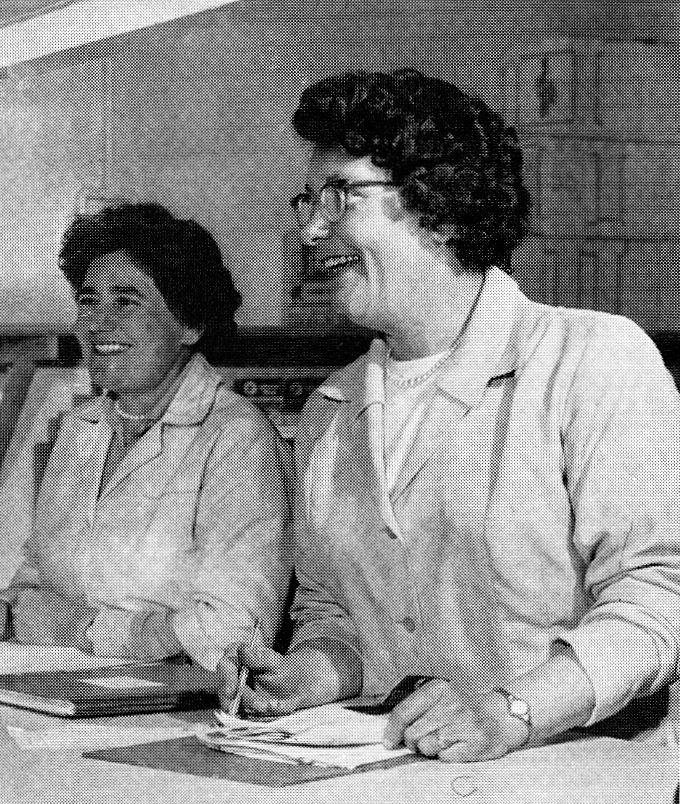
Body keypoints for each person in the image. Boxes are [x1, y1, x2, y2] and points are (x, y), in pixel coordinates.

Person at [218, 69, 680, 762]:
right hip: (407, 788)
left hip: (574, 791)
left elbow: (657, 604)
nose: (313, 228)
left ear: (442, 205)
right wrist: (307, 672)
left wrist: (511, 711)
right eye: (308, 201)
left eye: (341, 195)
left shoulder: (595, 359)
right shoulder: (329, 411)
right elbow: (335, 615)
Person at [0, 203, 286, 671]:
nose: (97, 324)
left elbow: (235, 629)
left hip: (178, 710)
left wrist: (80, 628)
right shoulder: (78, 427)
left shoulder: (237, 439)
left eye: (127, 302)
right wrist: (1, 612)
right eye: (89, 302)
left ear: (190, 325)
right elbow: (40, 587)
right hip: (70, 691)